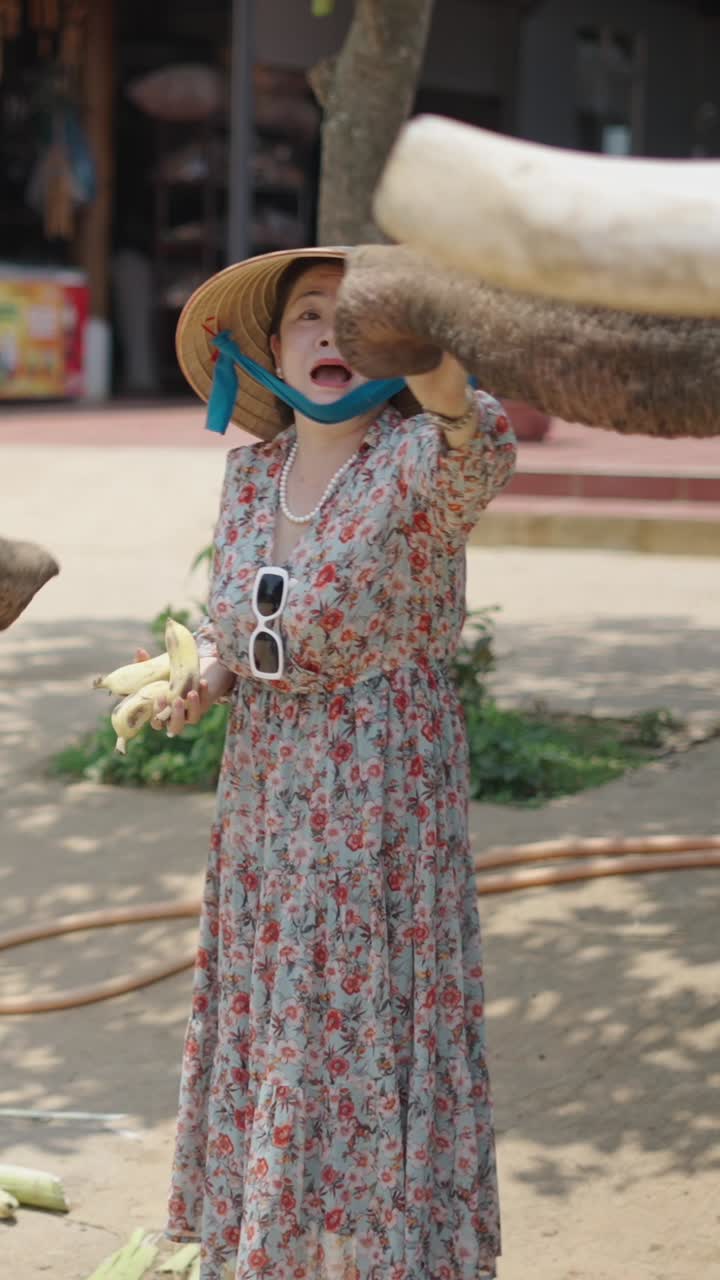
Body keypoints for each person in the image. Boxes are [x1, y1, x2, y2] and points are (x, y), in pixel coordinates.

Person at [153, 246, 517, 1280]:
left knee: (360, 1017)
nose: (331, 333)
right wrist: (208, 676)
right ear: (270, 351)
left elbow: (478, 436)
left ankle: (374, 1258)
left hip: (381, 795)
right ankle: (292, 1253)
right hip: (266, 799)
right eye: (311, 316)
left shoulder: (419, 457)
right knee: (279, 1013)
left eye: (357, 321)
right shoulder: (251, 473)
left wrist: (430, 352)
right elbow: (239, 623)